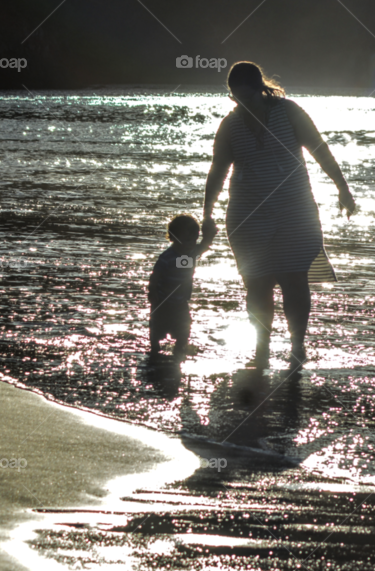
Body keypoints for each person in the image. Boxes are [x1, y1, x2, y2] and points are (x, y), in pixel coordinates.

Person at [202, 61, 356, 369]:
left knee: (294, 279)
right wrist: (207, 214)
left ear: (261, 89)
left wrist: (343, 188)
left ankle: (297, 347)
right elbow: (217, 171)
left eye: (247, 95)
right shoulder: (230, 126)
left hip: (295, 210)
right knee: (257, 283)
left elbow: (319, 149)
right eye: (235, 97)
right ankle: (261, 353)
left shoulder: (289, 112)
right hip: (248, 214)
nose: (241, 103)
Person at [149, 214, 216, 357]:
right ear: (173, 238)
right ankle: (154, 352)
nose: (191, 243)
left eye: (194, 239)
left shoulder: (189, 254)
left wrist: (210, 233)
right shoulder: (167, 257)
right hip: (162, 303)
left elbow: (204, 245)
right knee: (157, 331)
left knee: (184, 330)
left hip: (180, 303)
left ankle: (179, 351)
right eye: (187, 240)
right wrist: (152, 291)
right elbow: (155, 276)